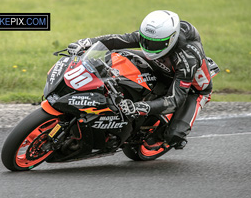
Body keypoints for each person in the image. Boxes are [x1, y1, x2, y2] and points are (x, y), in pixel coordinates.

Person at [67, 10, 213, 149]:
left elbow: (174, 100)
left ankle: (161, 136)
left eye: (155, 44)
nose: (148, 46)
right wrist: (86, 42)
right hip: (162, 66)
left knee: (174, 135)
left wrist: (141, 107)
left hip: (192, 89)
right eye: (145, 41)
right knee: (118, 56)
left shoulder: (187, 59)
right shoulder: (156, 35)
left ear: (171, 39)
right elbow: (118, 40)